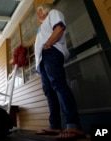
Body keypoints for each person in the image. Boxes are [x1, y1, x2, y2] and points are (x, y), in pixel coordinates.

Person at [34, 3, 86, 140]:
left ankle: (73, 125)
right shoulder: (41, 27)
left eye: (38, 11)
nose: (37, 15)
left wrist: (48, 44)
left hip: (51, 52)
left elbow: (59, 28)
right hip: (43, 59)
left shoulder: (53, 13)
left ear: (43, 10)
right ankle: (55, 126)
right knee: (49, 91)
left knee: (58, 85)